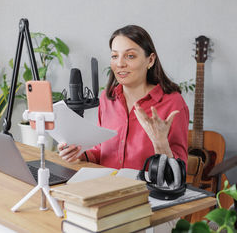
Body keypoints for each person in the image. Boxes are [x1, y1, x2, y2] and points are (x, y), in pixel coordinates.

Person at [58, 25, 189, 170]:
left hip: (144, 190)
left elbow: (179, 171)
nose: (120, 64)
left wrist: (161, 144)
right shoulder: (107, 99)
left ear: (150, 60)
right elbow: (101, 151)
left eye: (130, 56)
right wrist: (79, 153)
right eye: (115, 56)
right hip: (106, 186)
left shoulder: (172, 103)